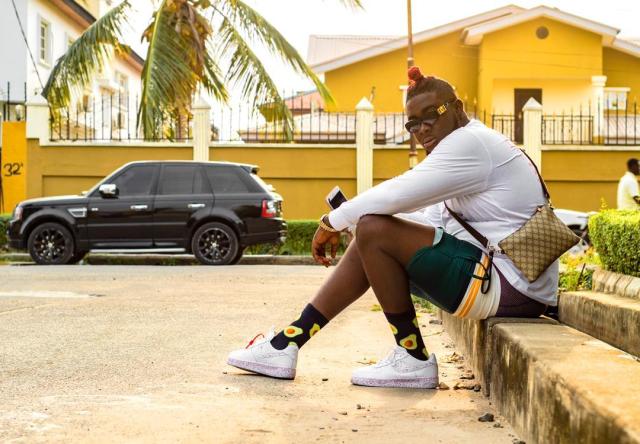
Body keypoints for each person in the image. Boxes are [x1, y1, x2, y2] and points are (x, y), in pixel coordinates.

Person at [227, 66, 558, 389]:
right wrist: (361, 231)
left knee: (373, 229)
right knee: (371, 233)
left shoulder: (470, 144)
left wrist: (334, 220)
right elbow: (428, 221)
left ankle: (412, 357)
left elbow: (398, 193)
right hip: (510, 283)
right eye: (413, 123)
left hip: (510, 286)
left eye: (431, 115)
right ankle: (288, 342)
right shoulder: (468, 146)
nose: (422, 129)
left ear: (457, 108)